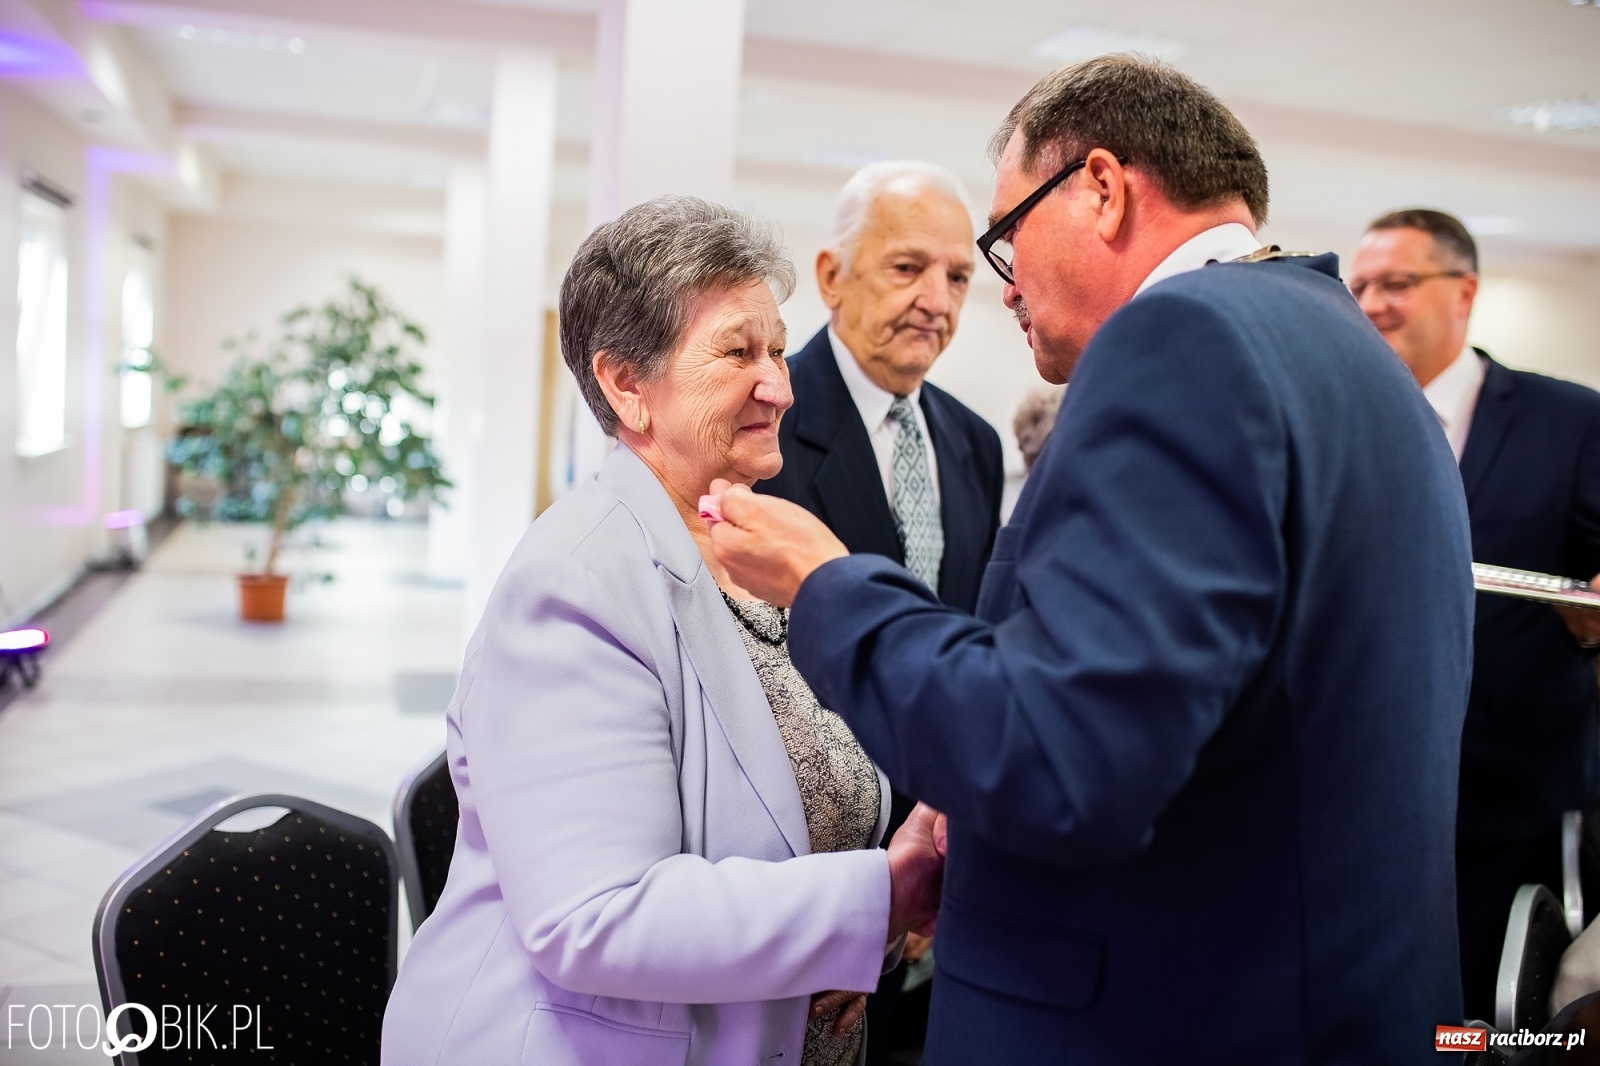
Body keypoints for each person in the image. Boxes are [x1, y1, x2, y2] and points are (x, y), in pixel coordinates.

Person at [705, 56, 1473, 1063]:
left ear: (1102, 190)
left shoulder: (1182, 345)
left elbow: (1065, 765)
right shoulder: (1349, 350)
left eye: (1002, 240)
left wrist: (826, 586)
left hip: (1164, 1016)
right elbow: (1172, 698)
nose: (1001, 287)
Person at [381, 196, 945, 1066]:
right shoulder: (575, 584)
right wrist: (877, 896)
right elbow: (596, 916)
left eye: (779, 349)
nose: (781, 386)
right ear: (625, 384)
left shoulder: (753, 543)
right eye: (738, 352)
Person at [756, 160, 1003, 1062]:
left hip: (939, 848)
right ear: (831, 276)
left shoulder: (970, 441)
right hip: (807, 857)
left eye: (959, 276)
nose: (936, 299)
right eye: (907, 268)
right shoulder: (766, 430)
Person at [1351, 207, 1600, 1021]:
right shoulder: (1340, 417)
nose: (1373, 302)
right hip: (1357, 792)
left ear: (1465, 292)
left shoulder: (1570, 421)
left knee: (1479, 1025)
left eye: (1397, 282)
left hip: (1504, 797)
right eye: (1359, 286)